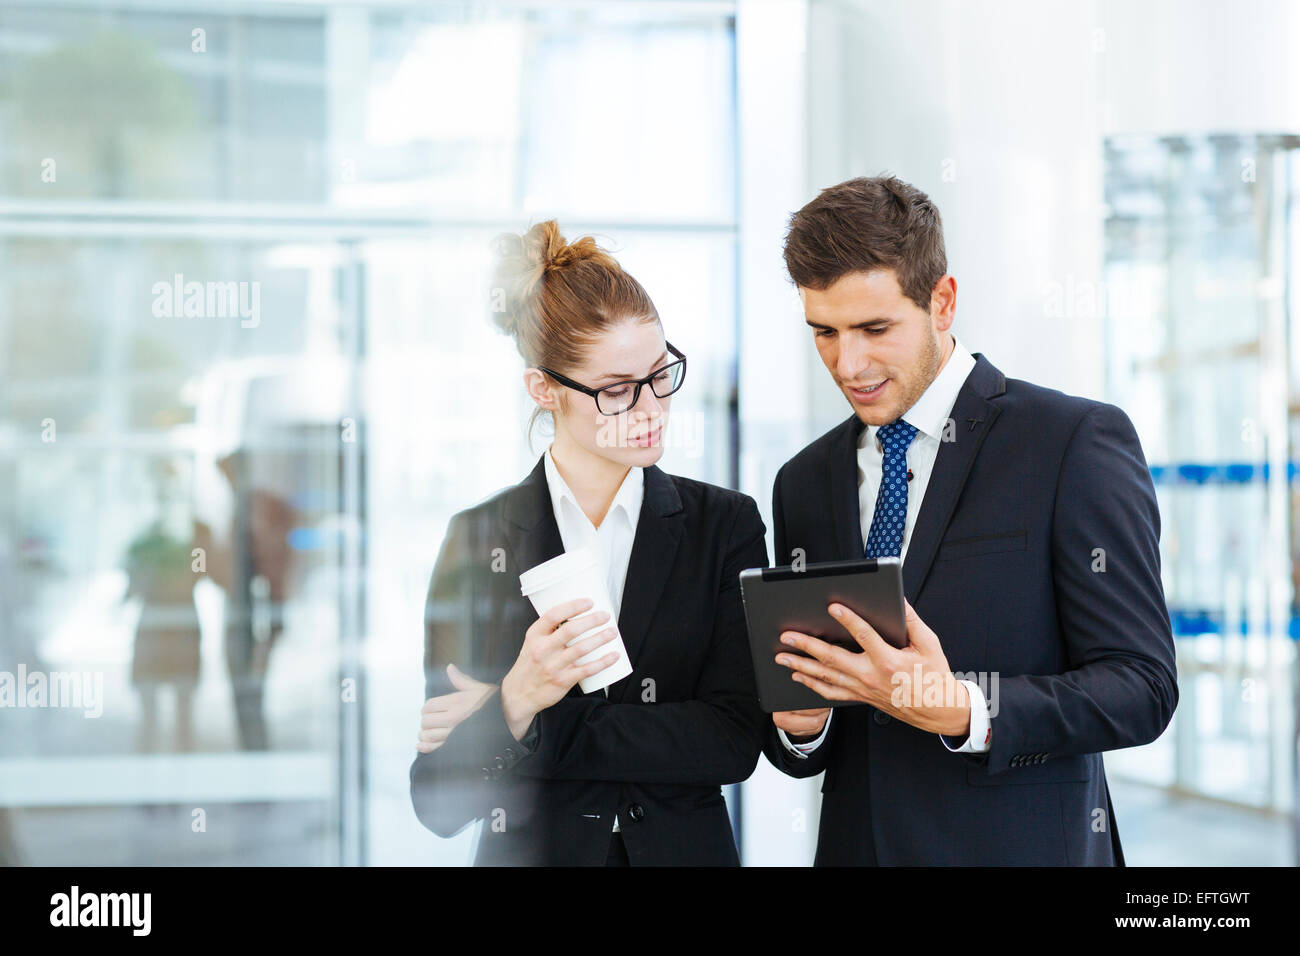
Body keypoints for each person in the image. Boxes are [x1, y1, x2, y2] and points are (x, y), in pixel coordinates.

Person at [762, 175, 1178, 865]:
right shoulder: (803, 482)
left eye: (874, 328)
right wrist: (801, 729)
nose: (849, 363)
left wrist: (961, 707)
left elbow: (1142, 688)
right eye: (824, 333)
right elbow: (819, 739)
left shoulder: (1072, 442)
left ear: (942, 302)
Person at [409, 220, 769, 865]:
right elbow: (438, 801)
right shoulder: (478, 539)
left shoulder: (724, 525)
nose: (651, 407)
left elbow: (734, 741)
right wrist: (520, 691)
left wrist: (518, 717)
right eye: (615, 390)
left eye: (661, 374)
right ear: (544, 390)